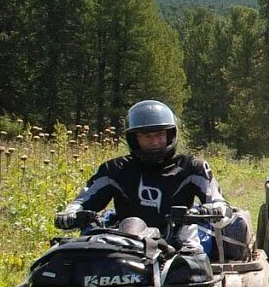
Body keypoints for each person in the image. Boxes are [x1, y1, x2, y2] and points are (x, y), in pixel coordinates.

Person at [54, 100, 232, 247]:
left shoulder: (193, 167)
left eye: (159, 135)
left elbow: (218, 201)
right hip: (126, 242)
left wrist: (216, 209)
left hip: (179, 242)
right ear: (134, 139)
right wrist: (71, 213)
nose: (154, 142)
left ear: (170, 135)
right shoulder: (114, 170)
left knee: (193, 261)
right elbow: (83, 200)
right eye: (147, 136)